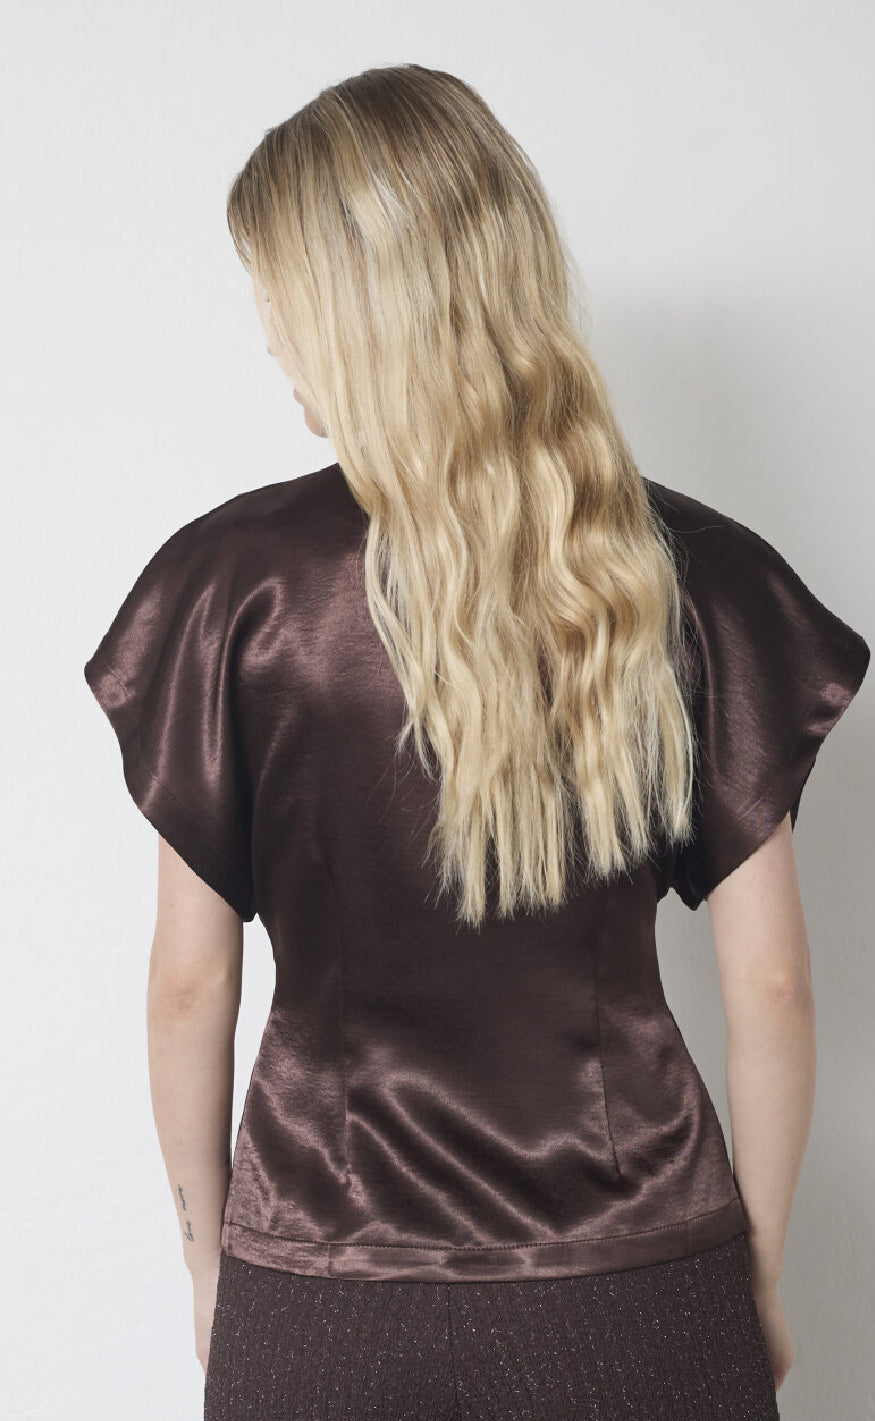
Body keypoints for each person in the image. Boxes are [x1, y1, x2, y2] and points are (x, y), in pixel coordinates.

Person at [83, 64, 870, 1421]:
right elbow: (776, 984)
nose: (268, 340)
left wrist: (213, 1267)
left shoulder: (228, 593)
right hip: (638, 1287)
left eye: (280, 298)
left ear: (352, 308)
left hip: (321, 1291)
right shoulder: (691, 579)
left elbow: (186, 989)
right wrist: (757, 1269)